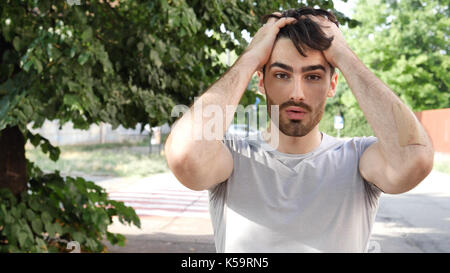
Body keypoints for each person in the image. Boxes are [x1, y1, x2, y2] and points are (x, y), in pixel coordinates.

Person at [164, 7, 434, 252]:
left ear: (332, 85)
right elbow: (184, 155)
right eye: (281, 75)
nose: (297, 93)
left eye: (313, 76)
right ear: (261, 81)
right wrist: (250, 57)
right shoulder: (232, 159)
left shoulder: (357, 159)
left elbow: (415, 158)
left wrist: (343, 54)